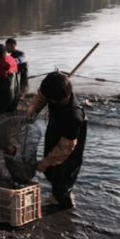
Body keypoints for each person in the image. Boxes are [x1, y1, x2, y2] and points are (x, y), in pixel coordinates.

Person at [27, 72, 87, 209]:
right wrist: (32, 110)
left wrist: (45, 163)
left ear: (56, 99)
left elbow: (65, 148)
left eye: (50, 98)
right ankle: (56, 194)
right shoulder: (54, 88)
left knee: (63, 182)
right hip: (55, 130)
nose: (47, 99)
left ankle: (67, 208)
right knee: (51, 172)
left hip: (70, 144)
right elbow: (41, 96)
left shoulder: (74, 116)